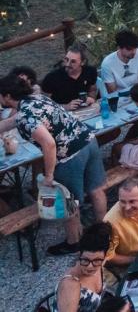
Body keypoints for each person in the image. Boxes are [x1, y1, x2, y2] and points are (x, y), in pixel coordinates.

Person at [0, 73, 107, 255]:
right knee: (96, 189)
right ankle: (103, 233)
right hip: (88, 141)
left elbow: (48, 144)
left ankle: (74, 242)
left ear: (8, 96)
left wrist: (49, 175)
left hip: (70, 156)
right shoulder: (36, 98)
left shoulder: (25, 115)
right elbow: (13, 121)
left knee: (69, 202)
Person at [56, 222, 111, 312]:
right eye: (85, 260)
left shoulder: (101, 261)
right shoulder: (70, 285)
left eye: (96, 261)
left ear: (105, 256)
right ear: (79, 254)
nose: (90, 266)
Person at [42, 44, 98, 108]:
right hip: (62, 112)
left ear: (83, 62)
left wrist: (91, 98)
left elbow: (92, 90)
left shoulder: (90, 71)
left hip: (85, 110)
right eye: (66, 59)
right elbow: (45, 103)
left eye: (73, 61)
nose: (68, 64)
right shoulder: (52, 77)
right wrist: (66, 106)